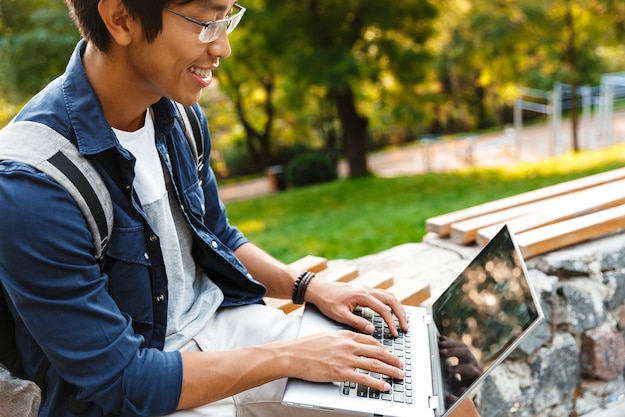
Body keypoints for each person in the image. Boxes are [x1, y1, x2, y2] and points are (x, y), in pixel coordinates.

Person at [0, 1, 410, 416]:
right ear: (120, 18)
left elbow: (218, 236)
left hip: (223, 329)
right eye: (205, 23)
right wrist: (293, 357)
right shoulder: (33, 183)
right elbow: (123, 382)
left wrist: (309, 287)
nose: (223, 47)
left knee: (411, 386)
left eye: (226, 19)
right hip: (134, 394)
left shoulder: (180, 116)